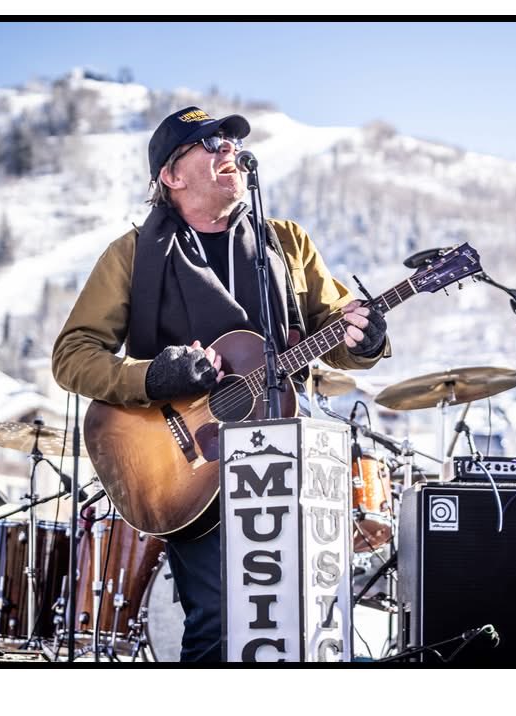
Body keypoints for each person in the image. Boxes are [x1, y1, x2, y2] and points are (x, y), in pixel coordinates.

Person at [52, 106, 390, 662]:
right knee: (220, 625)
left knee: (306, 621)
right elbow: (72, 357)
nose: (227, 149)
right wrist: (153, 376)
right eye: (209, 144)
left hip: (290, 462)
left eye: (231, 141)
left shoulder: (287, 244)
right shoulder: (133, 256)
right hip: (189, 468)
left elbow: (337, 331)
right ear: (171, 175)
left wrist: (366, 338)